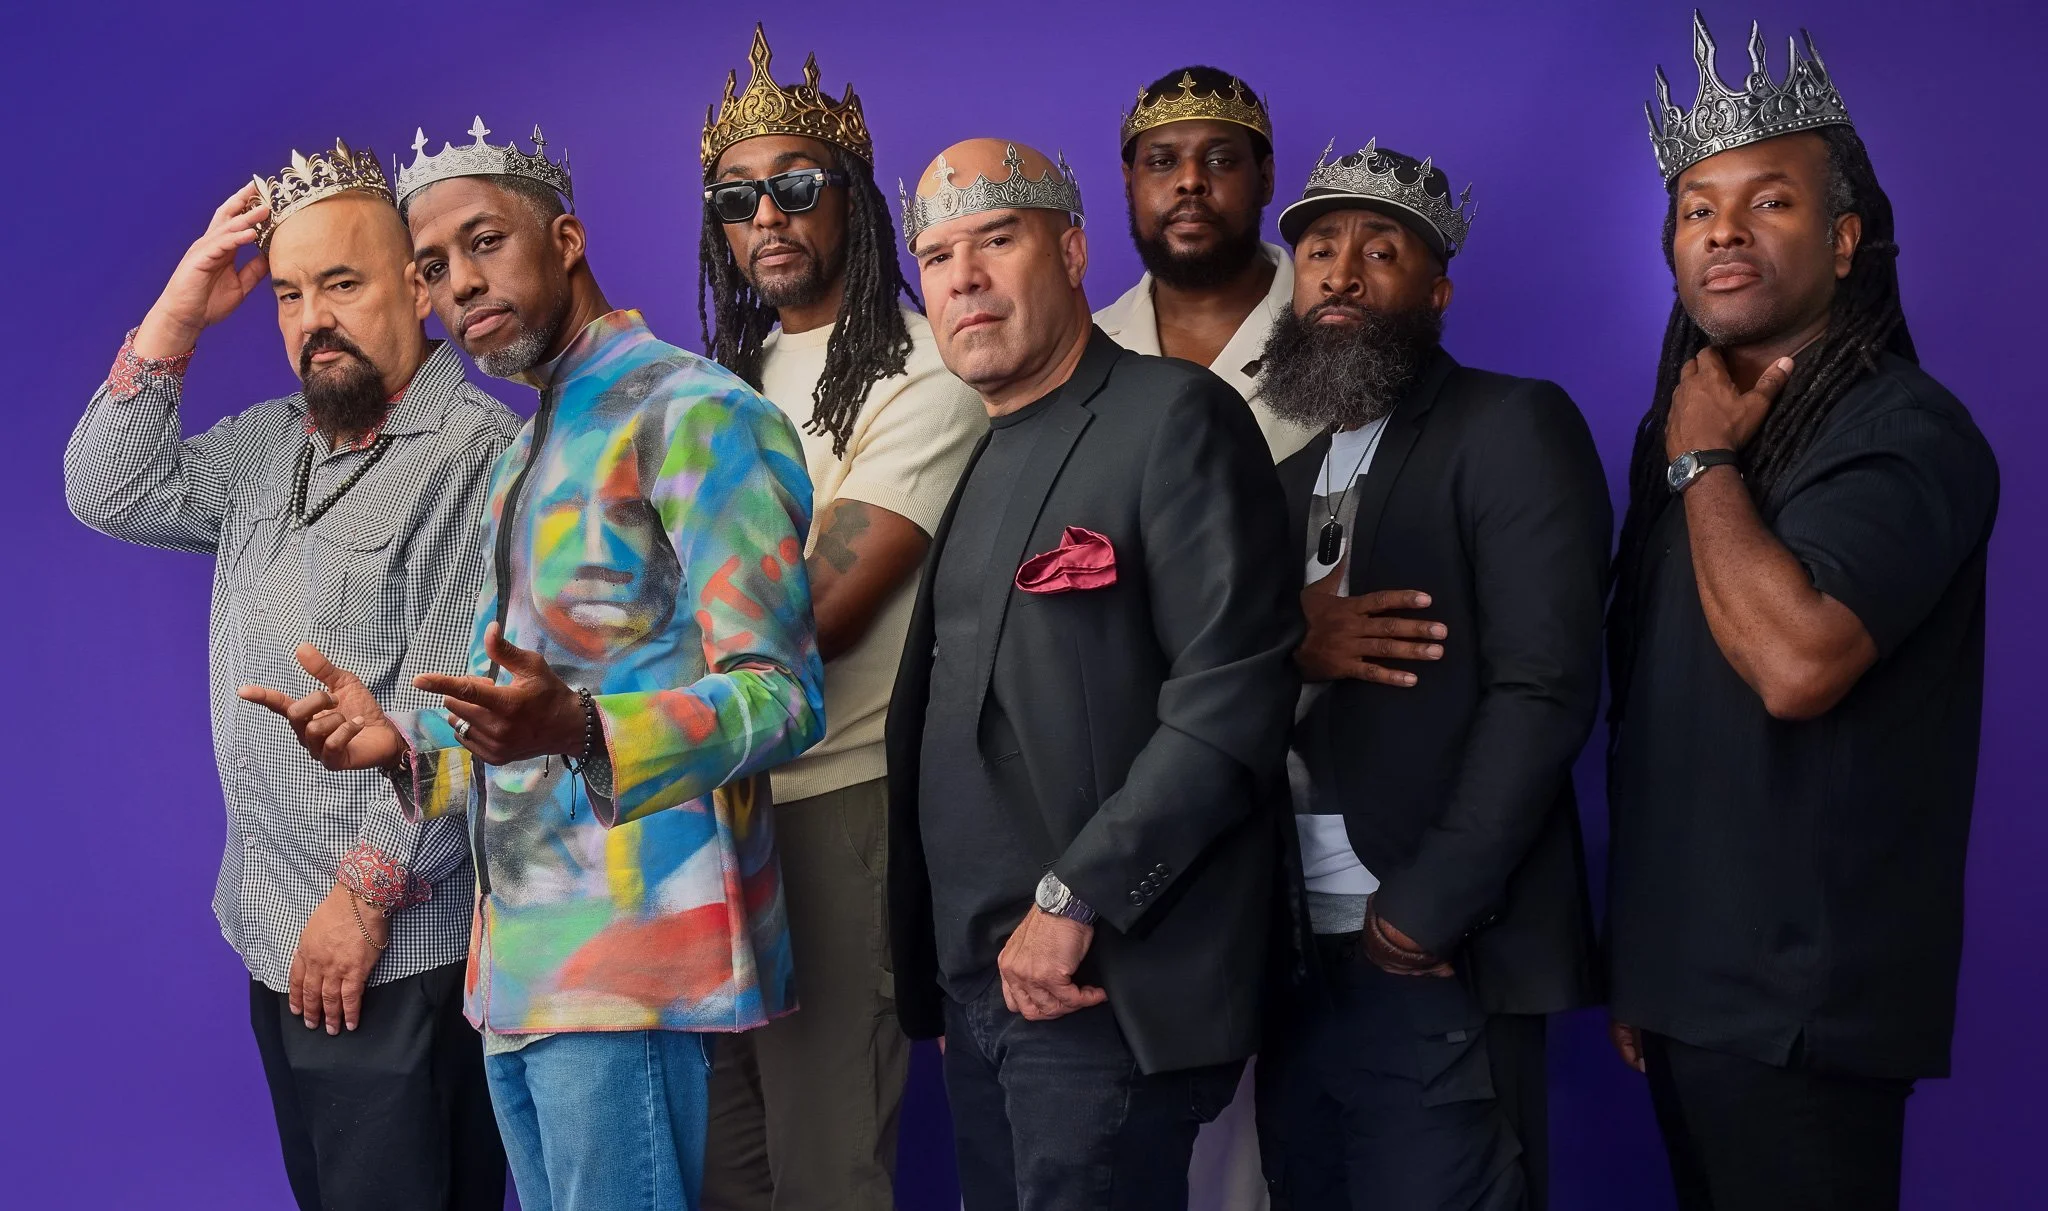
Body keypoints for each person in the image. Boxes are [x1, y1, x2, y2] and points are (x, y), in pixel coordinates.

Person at [241, 119, 825, 1211]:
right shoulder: (523, 451)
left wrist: (587, 728)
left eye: (484, 244)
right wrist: (410, 755)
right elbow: (517, 737)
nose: (461, 284)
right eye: (433, 267)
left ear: (564, 238)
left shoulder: (695, 412)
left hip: (635, 966)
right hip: (513, 974)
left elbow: (782, 695)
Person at [63, 142, 515, 1211]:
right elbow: (105, 487)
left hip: (396, 945)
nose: (311, 317)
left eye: (342, 284)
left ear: (418, 283)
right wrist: (180, 311)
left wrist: (363, 898)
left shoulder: (475, 450)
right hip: (274, 931)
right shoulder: (272, 443)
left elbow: (469, 718)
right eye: (288, 293)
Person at [1606, 17, 1999, 1211]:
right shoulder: (1683, 437)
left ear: (1841, 239)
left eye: (1765, 201)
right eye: (1693, 207)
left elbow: (1793, 662)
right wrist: (1647, 966)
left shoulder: (1902, 429)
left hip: (1802, 1009)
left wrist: (1703, 469)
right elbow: (1659, 712)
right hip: (1691, 992)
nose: (1720, 228)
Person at [888, 138, 1301, 1211]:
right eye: (935, 256)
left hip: (1094, 979)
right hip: (979, 990)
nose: (963, 277)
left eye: (995, 239)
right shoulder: (981, 453)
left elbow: (1232, 697)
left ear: (1070, 251)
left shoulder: (1174, 417)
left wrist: (1077, 899)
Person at [1252, 140, 1608, 1211]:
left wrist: (1427, 903)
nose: (1341, 274)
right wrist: (1290, 644)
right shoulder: (1276, 478)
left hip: (1431, 944)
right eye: (1317, 251)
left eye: (1379, 249)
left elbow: (1543, 686)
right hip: (1290, 953)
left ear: (1436, 288)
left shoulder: (1509, 425)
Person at [696, 28, 985, 1209]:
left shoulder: (923, 377)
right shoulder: (720, 378)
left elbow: (814, 609)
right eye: (735, 197)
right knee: (724, 1164)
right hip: (704, 795)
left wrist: (610, 688)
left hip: (833, 797)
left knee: (823, 1165)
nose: (767, 215)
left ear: (853, 203)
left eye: (798, 187)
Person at [1097, 67, 1318, 461]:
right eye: (1163, 161)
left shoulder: (1337, 329)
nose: (1191, 181)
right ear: (1129, 183)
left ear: (1265, 179)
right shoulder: (1089, 346)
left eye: (1220, 160)